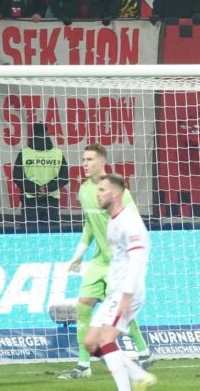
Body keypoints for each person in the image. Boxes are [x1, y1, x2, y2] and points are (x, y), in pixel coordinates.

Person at [63, 144, 152, 381]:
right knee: (83, 307)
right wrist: (79, 253)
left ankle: (143, 353)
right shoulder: (83, 191)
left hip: (119, 266)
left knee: (117, 316)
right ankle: (84, 365)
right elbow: (89, 225)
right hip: (99, 261)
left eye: (90, 159)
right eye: (83, 159)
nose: (84, 163)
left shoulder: (116, 191)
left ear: (102, 162)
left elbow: (131, 221)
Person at [85, 174, 156, 391]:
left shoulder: (130, 221)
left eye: (103, 190)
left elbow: (137, 260)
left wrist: (126, 295)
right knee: (91, 343)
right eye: (98, 190)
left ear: (116, 193)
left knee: (106, 339)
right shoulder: (113, 221)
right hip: (115, 291)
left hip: (128, 291)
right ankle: (139, 374)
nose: (98, 194)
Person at [14, 122, 66, 227]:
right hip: (51, 200)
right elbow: (64, 177)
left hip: (30, 200)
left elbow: (17, 176)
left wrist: (36, 189)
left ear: (32, 134)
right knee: (52, 237)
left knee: (29, 236)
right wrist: (47, 188)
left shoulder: (24, 153)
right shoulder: (58, 153)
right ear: (47, 133)